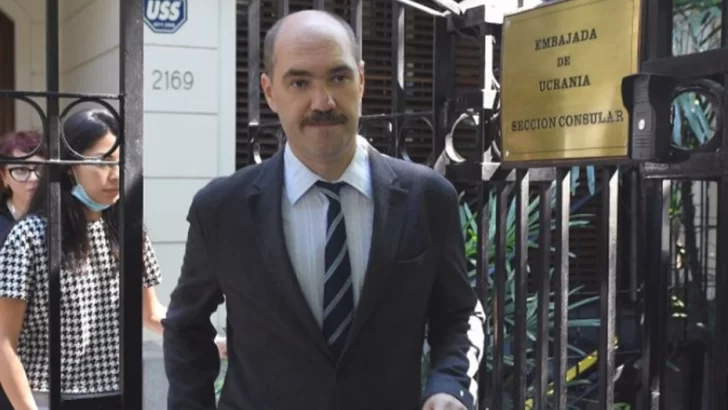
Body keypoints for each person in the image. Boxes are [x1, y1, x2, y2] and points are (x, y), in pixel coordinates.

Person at [162, 9, 485, 410]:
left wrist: (450, 385)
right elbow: (186, 329)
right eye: (299, 82)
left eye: (338, 77)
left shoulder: (428, 198)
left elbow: (459, 314)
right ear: (269, 91)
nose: (323, 101)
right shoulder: (221, 210)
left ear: (361, 80)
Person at [0, 109, 166, 410]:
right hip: (46, 397)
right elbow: (3, 341)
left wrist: (206, 338)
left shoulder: (130, 233)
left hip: (117, 394)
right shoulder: (29, 236)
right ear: (70, 167)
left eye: (119, 162)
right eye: (102, 162)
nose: (115, 175)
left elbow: (150, 313)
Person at [0, 130, 47, 236]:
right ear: (4, 177)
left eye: (40, 169)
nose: (33, 178)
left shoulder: (61, 216)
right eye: (21, 170)